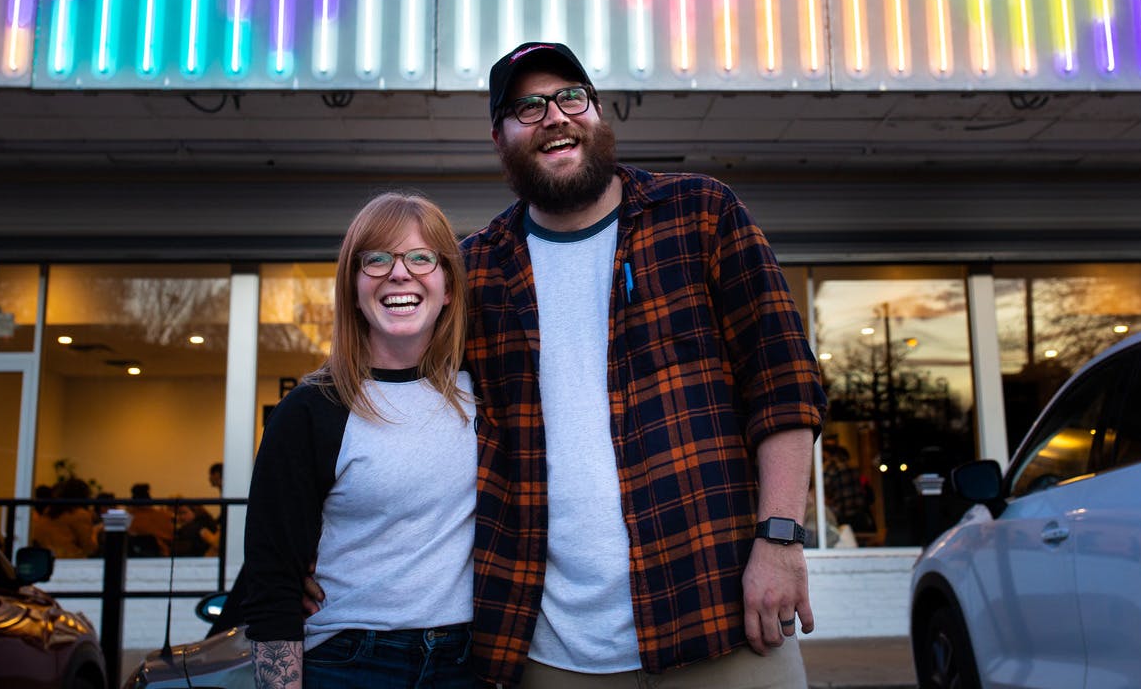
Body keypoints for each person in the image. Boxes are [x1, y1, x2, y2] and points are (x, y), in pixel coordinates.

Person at [463, 41, 828, 687]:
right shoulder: (477, 270)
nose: (554, 116)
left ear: (598, 115)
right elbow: (407, 405)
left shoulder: (700, 215)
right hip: (550, 649)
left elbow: (784, 388)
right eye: (528, 107)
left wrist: (780, 540)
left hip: (721, 619)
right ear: (500, 139)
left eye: (570, 97)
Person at [243, 191, 477, 689]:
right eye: (376, 259)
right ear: (352, 287)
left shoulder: (486, 394)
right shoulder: (309, 411)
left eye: (421, 258)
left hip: (468, 662)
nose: (400, 273)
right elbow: (273, 577)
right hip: (350, 661)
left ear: (449, 287)